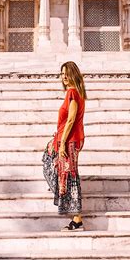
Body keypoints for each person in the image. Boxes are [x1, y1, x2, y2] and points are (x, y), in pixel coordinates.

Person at [43, 60, 87, 231]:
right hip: (67, 139)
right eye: (62, 74)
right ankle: (62, 195)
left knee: (70, 176)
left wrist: (62, 145)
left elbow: (71, 119)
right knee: (58, 167)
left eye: (67, 73)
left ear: (73, 74)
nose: (64, 77)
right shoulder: (74, 93)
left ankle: (77, 219)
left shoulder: (73, 93)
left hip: (69, 140)